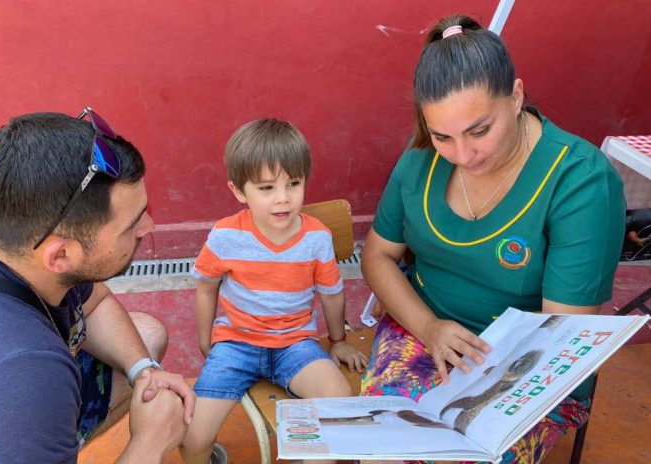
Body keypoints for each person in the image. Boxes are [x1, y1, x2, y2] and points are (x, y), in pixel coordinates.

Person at [360, 15, 625, 464]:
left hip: (528, 366)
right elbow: (378, 256)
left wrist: (477, 385)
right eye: (443, 135)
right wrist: (428, 327)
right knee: (384, 444)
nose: (463, 155)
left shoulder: (579, 182)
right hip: (424, 330)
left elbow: (560, 334)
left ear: (517, 96)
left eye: (479, 131)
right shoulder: (421, 157)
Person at [0, 110, 196, 463]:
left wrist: (143, 370)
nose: (149, 226)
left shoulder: (5, 235)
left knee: (147, 336)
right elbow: (21, 386)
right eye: (131, 225)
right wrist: (150, 443)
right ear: (61, 255)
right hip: (11, 411)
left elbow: (94, 303)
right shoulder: (23, 379)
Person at [181, 118, 369, 464]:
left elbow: (331, 294)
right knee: (194, 437)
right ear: (239, 191)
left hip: (295, 345)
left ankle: (308, 456)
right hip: (236, 344)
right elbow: (205, 288)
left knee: (337, 398)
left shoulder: (316, 238)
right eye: (266, 188)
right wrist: (206, 339)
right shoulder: (225, 237)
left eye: (293, 184)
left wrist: (338, 340)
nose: (283, 199)